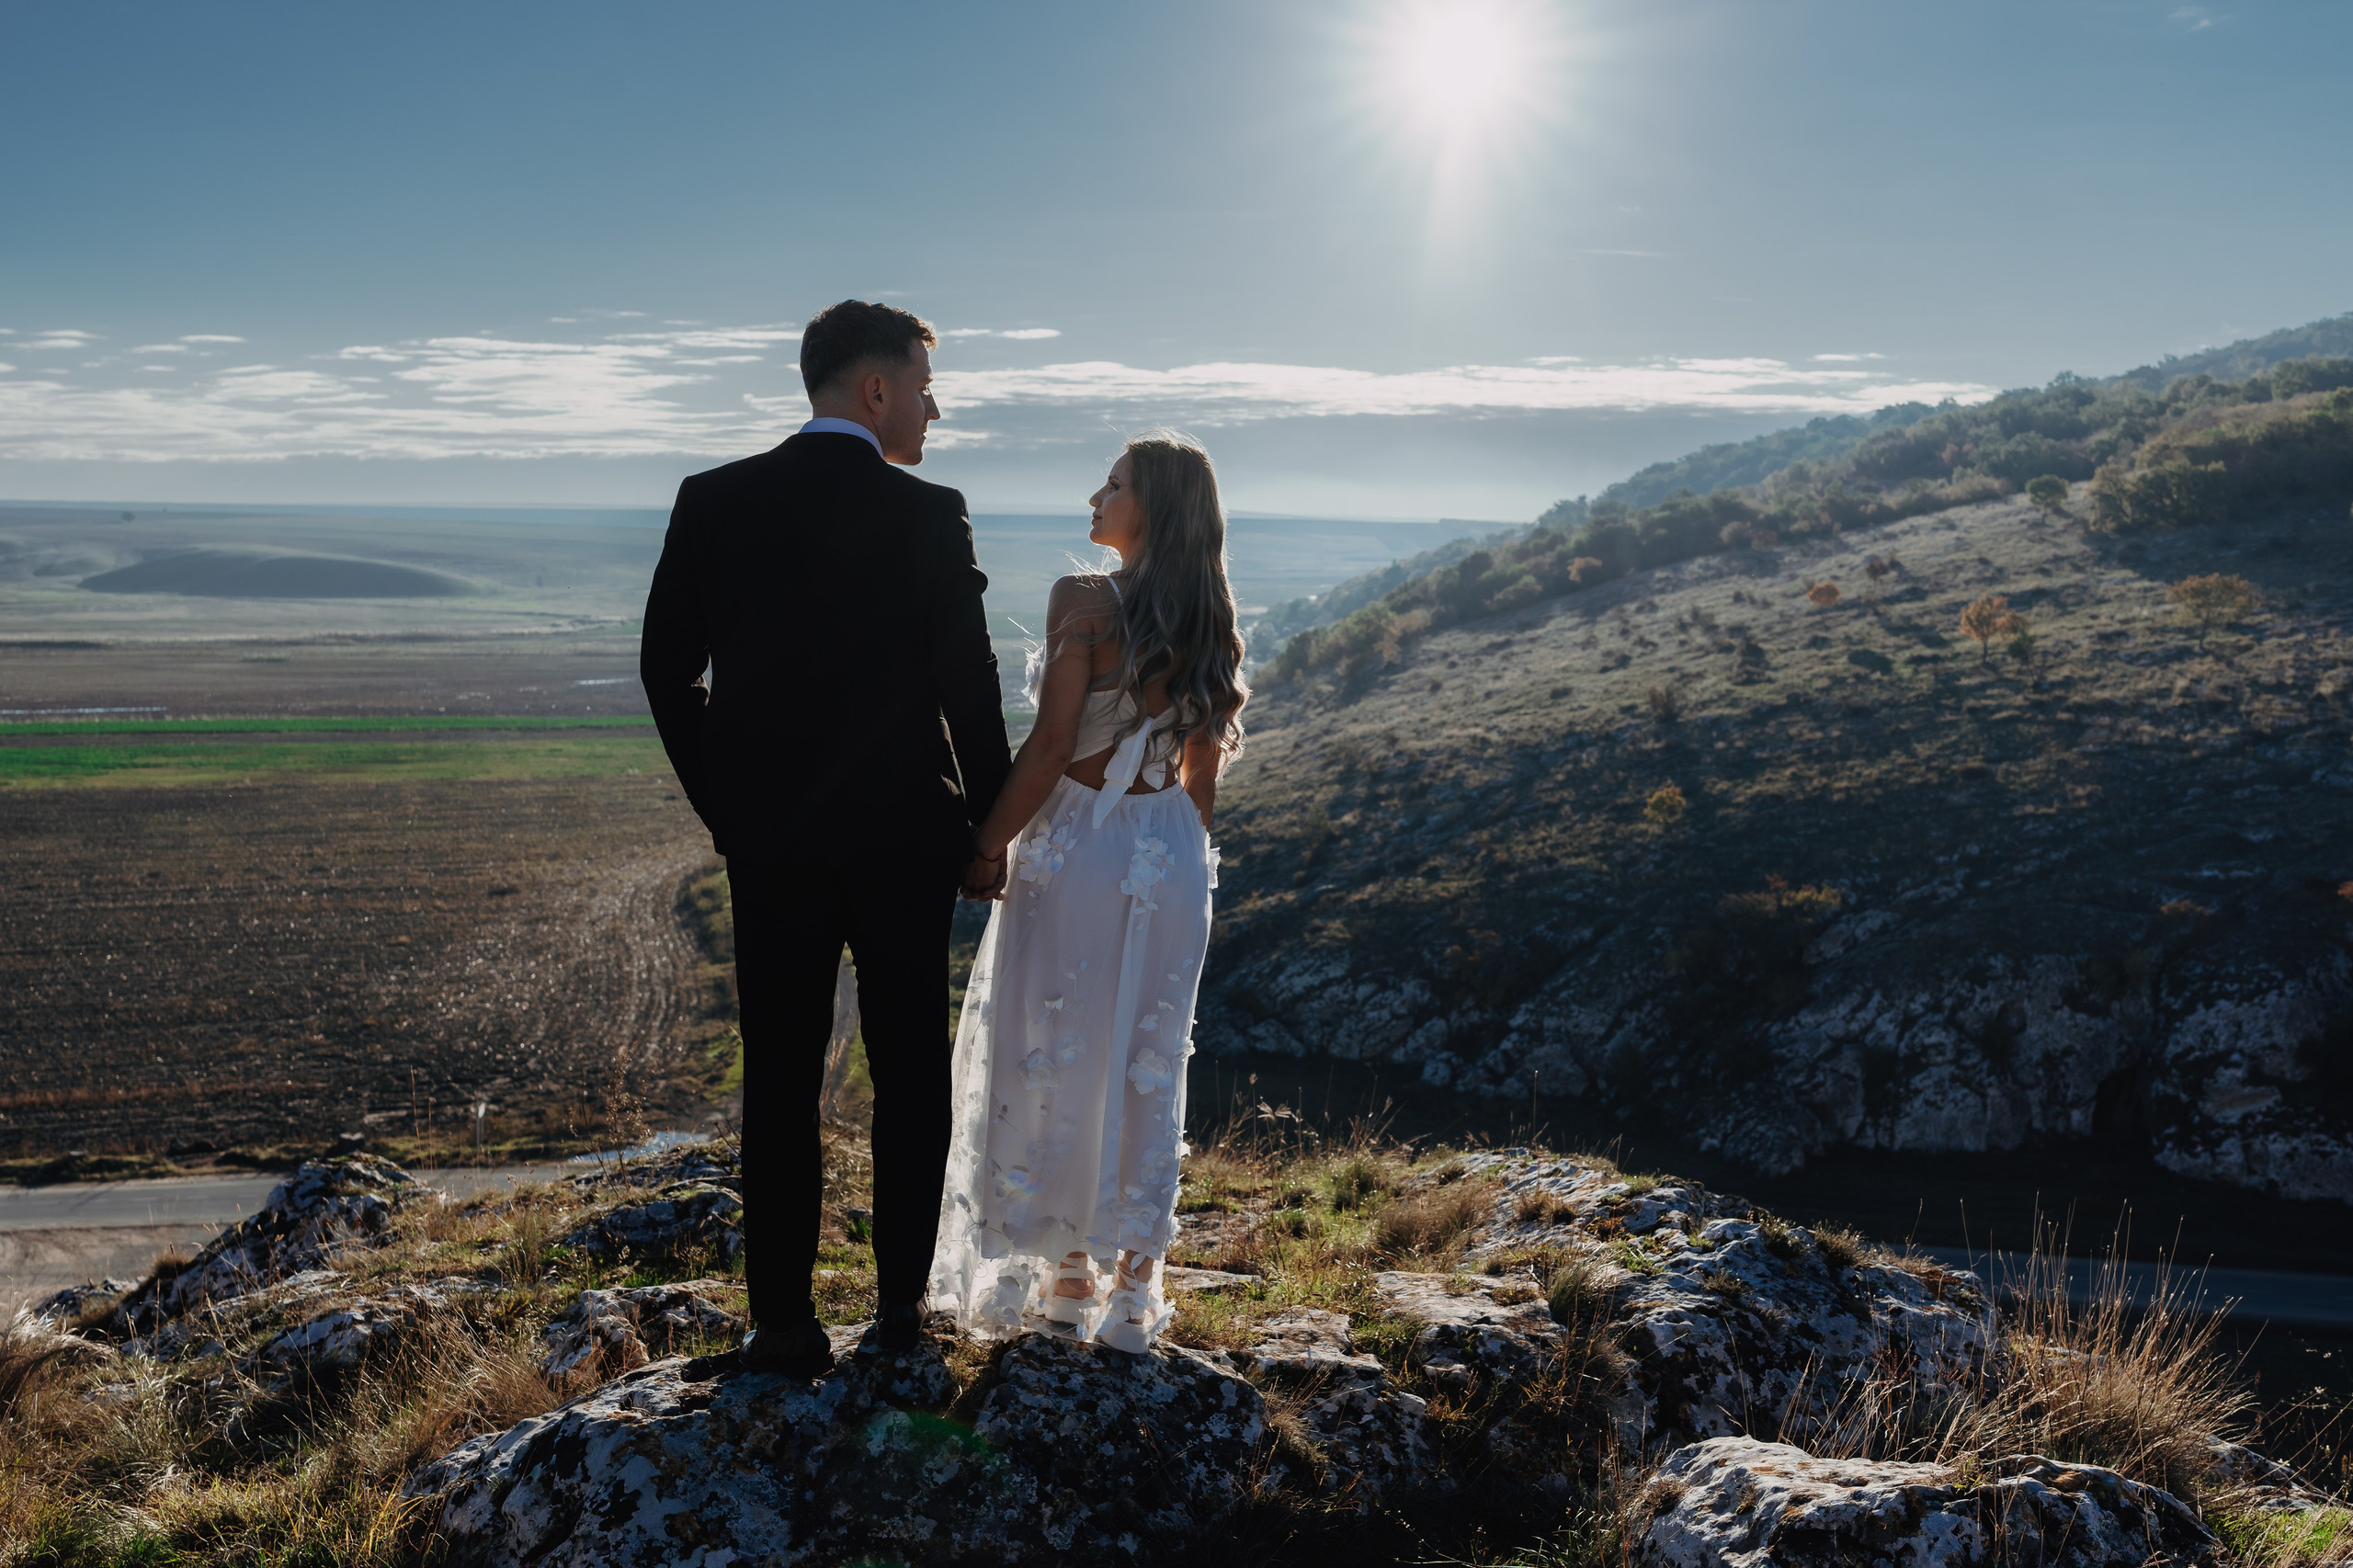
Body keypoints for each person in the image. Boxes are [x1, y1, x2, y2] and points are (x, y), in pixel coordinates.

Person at [640, 301, 1012, 1378]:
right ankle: (900, 1313)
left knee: (782, 1079)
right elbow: (969, 688)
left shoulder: (714, 501)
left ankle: (783, 1324)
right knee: (910, 1073)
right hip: (907, 842)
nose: (935, 412)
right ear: (876, 389)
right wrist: (988, 827)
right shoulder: (933, 512)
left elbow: (669, 673)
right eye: (925, 389)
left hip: (775, 847)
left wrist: (730, 808)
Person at [929, 431, 1246, 1352]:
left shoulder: (1082, 599)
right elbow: (1201, 778)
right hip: (1170, 851)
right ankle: (1130, 1288)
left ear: (1149, 507)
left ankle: (1067, 1274)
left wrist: (985, 846)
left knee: (1051, 1044)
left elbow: (1049, 746)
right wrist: (1178, 865)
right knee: (1146, 1058)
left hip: (1080, 841)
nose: (1094, 496)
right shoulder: (1210, 617)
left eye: (1112, 484)